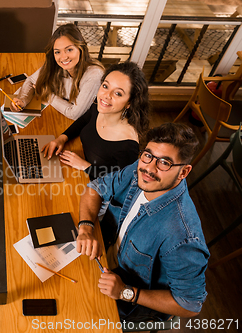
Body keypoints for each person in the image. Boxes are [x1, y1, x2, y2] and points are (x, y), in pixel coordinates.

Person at [76, 123, 209, 322]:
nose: (149, 168)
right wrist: (86, 227)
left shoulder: (182, 236)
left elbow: (190, 305)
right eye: (148, 155)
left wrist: (126, 292)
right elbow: (95, 188)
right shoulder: (140, 171)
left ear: (184, 172)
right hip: (100, 259)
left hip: (125, 299)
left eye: (165, 162)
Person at [42, 62, 150, 181]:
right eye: (105, 86)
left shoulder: (128, 145)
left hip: (96, 187)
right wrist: (62, 138)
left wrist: (85, 166)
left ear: (129, 103)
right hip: (78, 170)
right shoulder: (100, 107)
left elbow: (122, 182)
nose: (106, 96)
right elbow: (85, 119)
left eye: (118, 93)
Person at [11, 24, 104, 120]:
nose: (63, 57)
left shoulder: (94, 75)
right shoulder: (56, 64)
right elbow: (31, 81)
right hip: (61, 118)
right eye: (57, 52)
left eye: (69, 50)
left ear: (80, 48)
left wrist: (48, 95)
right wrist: (22, 100)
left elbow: (75, 114)